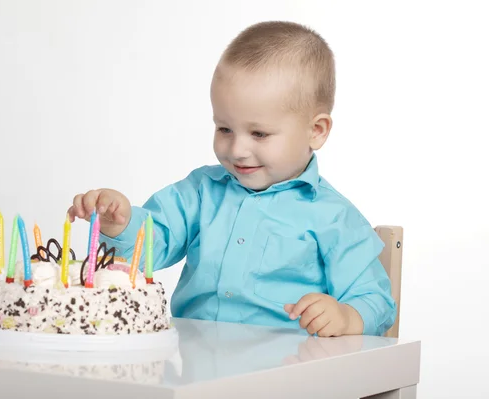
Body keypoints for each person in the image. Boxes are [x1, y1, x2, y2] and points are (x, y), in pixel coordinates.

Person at [68, 21, 396, 337]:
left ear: (316, 130)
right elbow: (151, 246)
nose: (237, 149)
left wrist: (345, 317)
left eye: (259, 133)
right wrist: (120, 225)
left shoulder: (334, 217)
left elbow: (376, 301)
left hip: (286, 372)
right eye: (224, 128)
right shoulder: (200, 191)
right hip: (190, 365)